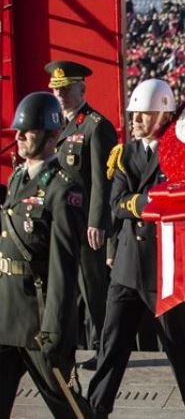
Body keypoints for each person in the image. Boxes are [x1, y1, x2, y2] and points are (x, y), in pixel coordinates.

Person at [87, 80, 185, 419]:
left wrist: (144, 202)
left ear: (164, 114)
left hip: (165, 266)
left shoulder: (179, 153)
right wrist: (152, 202)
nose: (136, 120)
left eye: (144, 113)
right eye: (135, 113)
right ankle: (97, 406)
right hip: (127, 266)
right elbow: (116, 203)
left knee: (177, 343)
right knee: (112, 343)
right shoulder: (124, 154)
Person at [0, 92, 94, 418]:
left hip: (39, 321)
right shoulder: (17, 178)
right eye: (18, 130)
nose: (19, 136)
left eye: (29, 131)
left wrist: (54, 327)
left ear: (52, 136)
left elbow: (63, 266)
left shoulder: (64, 189)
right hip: (7, 314)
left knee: (66, 406)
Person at [47, 60, 118, 371]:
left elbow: (103, 181)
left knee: (93, 290)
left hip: (86, 224)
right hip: (62, 223)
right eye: (56, 90)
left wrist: (97, 222)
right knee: (64, 289)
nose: (60, 95)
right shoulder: (56, 126)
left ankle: (104, 349)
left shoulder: (95, 126)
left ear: (81, 89)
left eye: (65, 89)